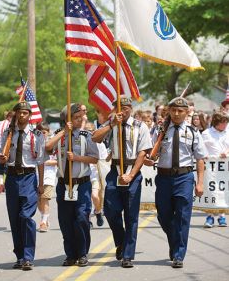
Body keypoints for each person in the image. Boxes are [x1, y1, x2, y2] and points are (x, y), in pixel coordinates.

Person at [92, 96, 152, 268]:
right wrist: (111, 124)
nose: (122, 111)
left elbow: (142, 153)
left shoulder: (141, 126)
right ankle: (121, 241)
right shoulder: (111, 123)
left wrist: (131, 175)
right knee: (110, 210)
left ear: (130, 108)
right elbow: (95, 137)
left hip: (132, 172)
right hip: (115, 171)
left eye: (125, 108)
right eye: (118, 108)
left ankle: (127, 255)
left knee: (131, 216)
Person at [151, 97, 206, 269]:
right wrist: (149, 157)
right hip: (164, 177)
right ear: (168, 111)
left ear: (187, 112)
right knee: (164, 216)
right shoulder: (160, 130)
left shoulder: (192, 132)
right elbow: (151, 154)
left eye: (180, 111)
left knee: (182, 217)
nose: (176, 113)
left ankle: (178, 254)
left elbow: (199, 159)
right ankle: (175, 241)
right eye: (173, 110)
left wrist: (200, 183)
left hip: (184, 178)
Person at [45, 103, 99, 267]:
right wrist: (64, 132)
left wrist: (77, 158)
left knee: (81, 219)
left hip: (81, 184)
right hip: (63, 184)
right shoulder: (59, 135)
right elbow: (47, 147)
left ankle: (82, 253)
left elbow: (95, 158)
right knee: (66, 221)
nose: (79, 120)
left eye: (79, 117)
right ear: (66, 120)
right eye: (75, 118)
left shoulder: (86, 135)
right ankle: (70, 254)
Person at [0, 101, 45, 271]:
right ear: (16, 114)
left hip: (29, 177)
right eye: (19, 112)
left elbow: (40, 160)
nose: (22, 115)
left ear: (29, 115)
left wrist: (40, 184)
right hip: (12, 177)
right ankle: (19, 256)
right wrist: (2, 158)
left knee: (26, 217)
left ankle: (27, 256)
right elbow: (1, 154)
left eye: (25, 113)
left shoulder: (37, 134)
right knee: (15, 219)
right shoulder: (8, 132)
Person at [201, 111, 229, 228]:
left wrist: (227, 152)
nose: (225, 125)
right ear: (217, 122)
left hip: (225, 167)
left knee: (223, 190)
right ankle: (210, 217)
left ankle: (222, 216)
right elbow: (201, 148)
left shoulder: (228, 132)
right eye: (223, 122)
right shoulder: (207, 133)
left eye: (226, 122)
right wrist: (205, 155)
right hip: (211, 168)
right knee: (211, 191)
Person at [36, 123, 57, 233]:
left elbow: (58, 160)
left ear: (48, 132)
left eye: (44, 132)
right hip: (36, 176)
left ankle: (43, 222)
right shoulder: (34, 143)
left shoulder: (52, 144)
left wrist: (46, 162)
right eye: (40, 133)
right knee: (38, 201)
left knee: (44, 199)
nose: (42, 135)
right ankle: (45, 217)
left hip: (48, 176)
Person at [0, 110, 13, 193]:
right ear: (9, 117)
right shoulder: (10, 125)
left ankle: (1, 183)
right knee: (8, 167)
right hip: (7, 149)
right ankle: (7, 184)